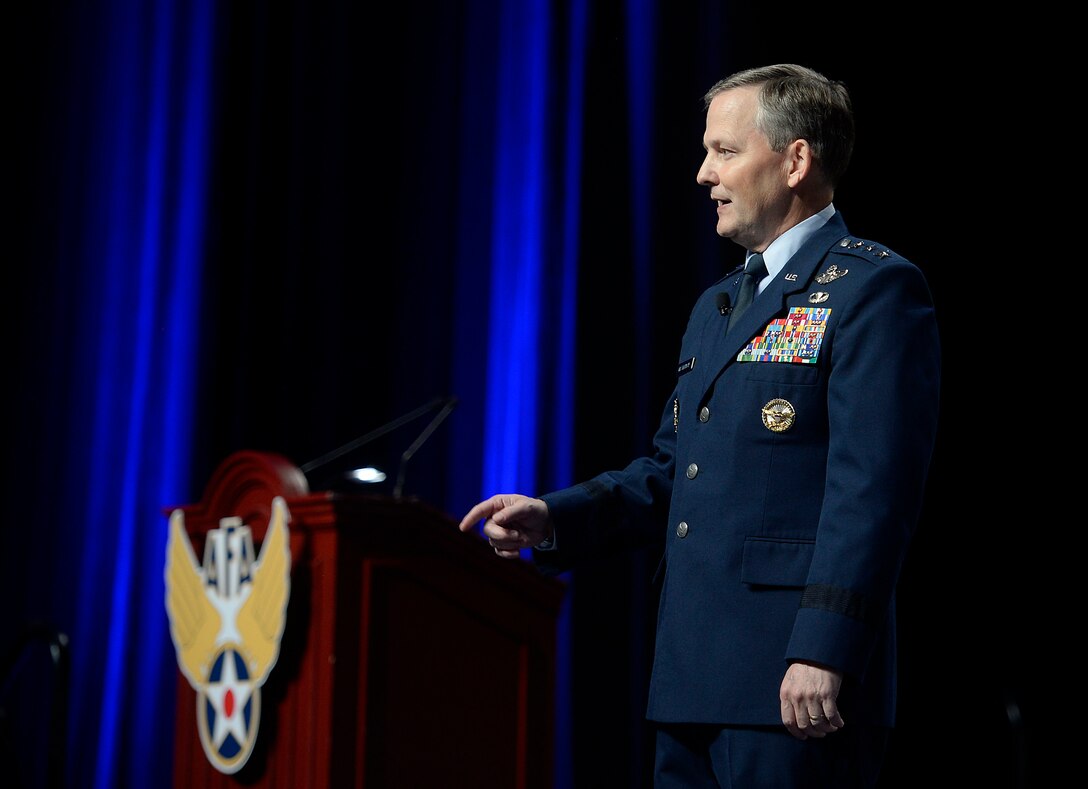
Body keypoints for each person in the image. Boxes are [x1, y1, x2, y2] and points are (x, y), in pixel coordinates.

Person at [459, 63, 940, 789]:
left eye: (724, 151)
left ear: (795, 159)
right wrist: (555, 517)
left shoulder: (873, 289)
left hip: (795, 684)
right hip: (691, 678)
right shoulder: (720, 303)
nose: (701, 173)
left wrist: (824, 648)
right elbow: (671, 471)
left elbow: (872, 495)